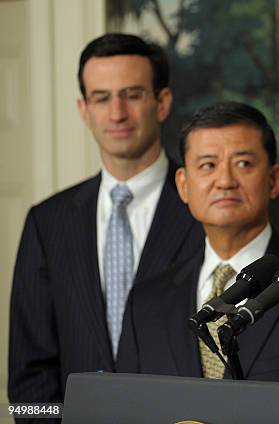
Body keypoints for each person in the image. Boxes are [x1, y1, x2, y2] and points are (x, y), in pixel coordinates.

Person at [8, 33, 203, 406]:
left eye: (131, 95)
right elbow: (28, 372)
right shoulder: (47, 222)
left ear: (162, 103)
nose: (117, 113)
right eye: (101, 98)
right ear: (84, 109)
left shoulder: (203, 209)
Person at [117, 101, 279, 383]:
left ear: (273, 180)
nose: (225, 181)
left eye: (243, 164)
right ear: (183, 185)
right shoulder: (146, 303)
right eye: (208, 165)